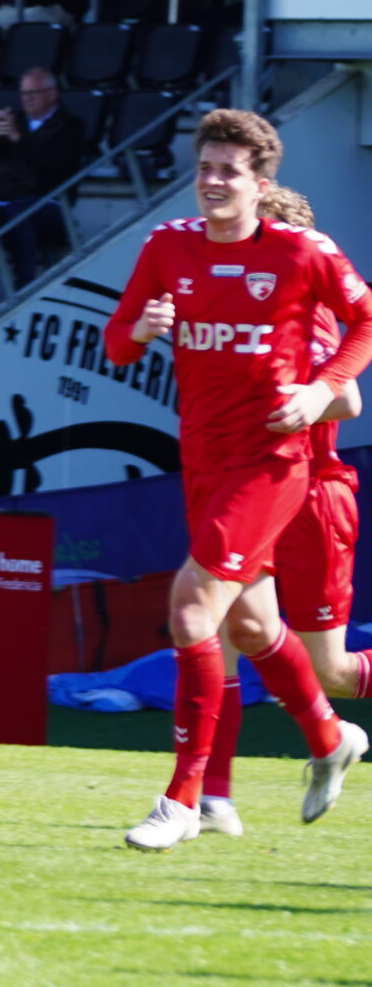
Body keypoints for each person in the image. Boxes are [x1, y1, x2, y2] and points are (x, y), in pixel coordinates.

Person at [100, 110, 372, 849]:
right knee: (250, 627)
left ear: (261, 184)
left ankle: (184, 800)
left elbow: (365, 322)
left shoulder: (300, 256)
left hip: (285, 469)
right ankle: (325, 738)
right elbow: (117, 343)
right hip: (206, 462)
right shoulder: (168, 248)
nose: (215, 182)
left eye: (231, 171)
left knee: (193, 611)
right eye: (207, 168)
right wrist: (142, 331)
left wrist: (322, 390)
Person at [202, 185, 372, 835]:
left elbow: (348, 399)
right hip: (256, 489)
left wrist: (300, 400)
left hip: (315, 495)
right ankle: (214, 799)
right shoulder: (243, 302)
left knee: (330, 670)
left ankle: (331, 738)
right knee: (223, 625)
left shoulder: (311, 303)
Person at [0, 68, 89, 286]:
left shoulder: (72, 126)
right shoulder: (15, 120)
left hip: (49, 202)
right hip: (3, 197)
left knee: (18, 214)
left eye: (34, 92)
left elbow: (57, 165)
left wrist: (18, 139)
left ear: (52, 94)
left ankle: (24, 285)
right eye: (23, 93)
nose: (27, 99)